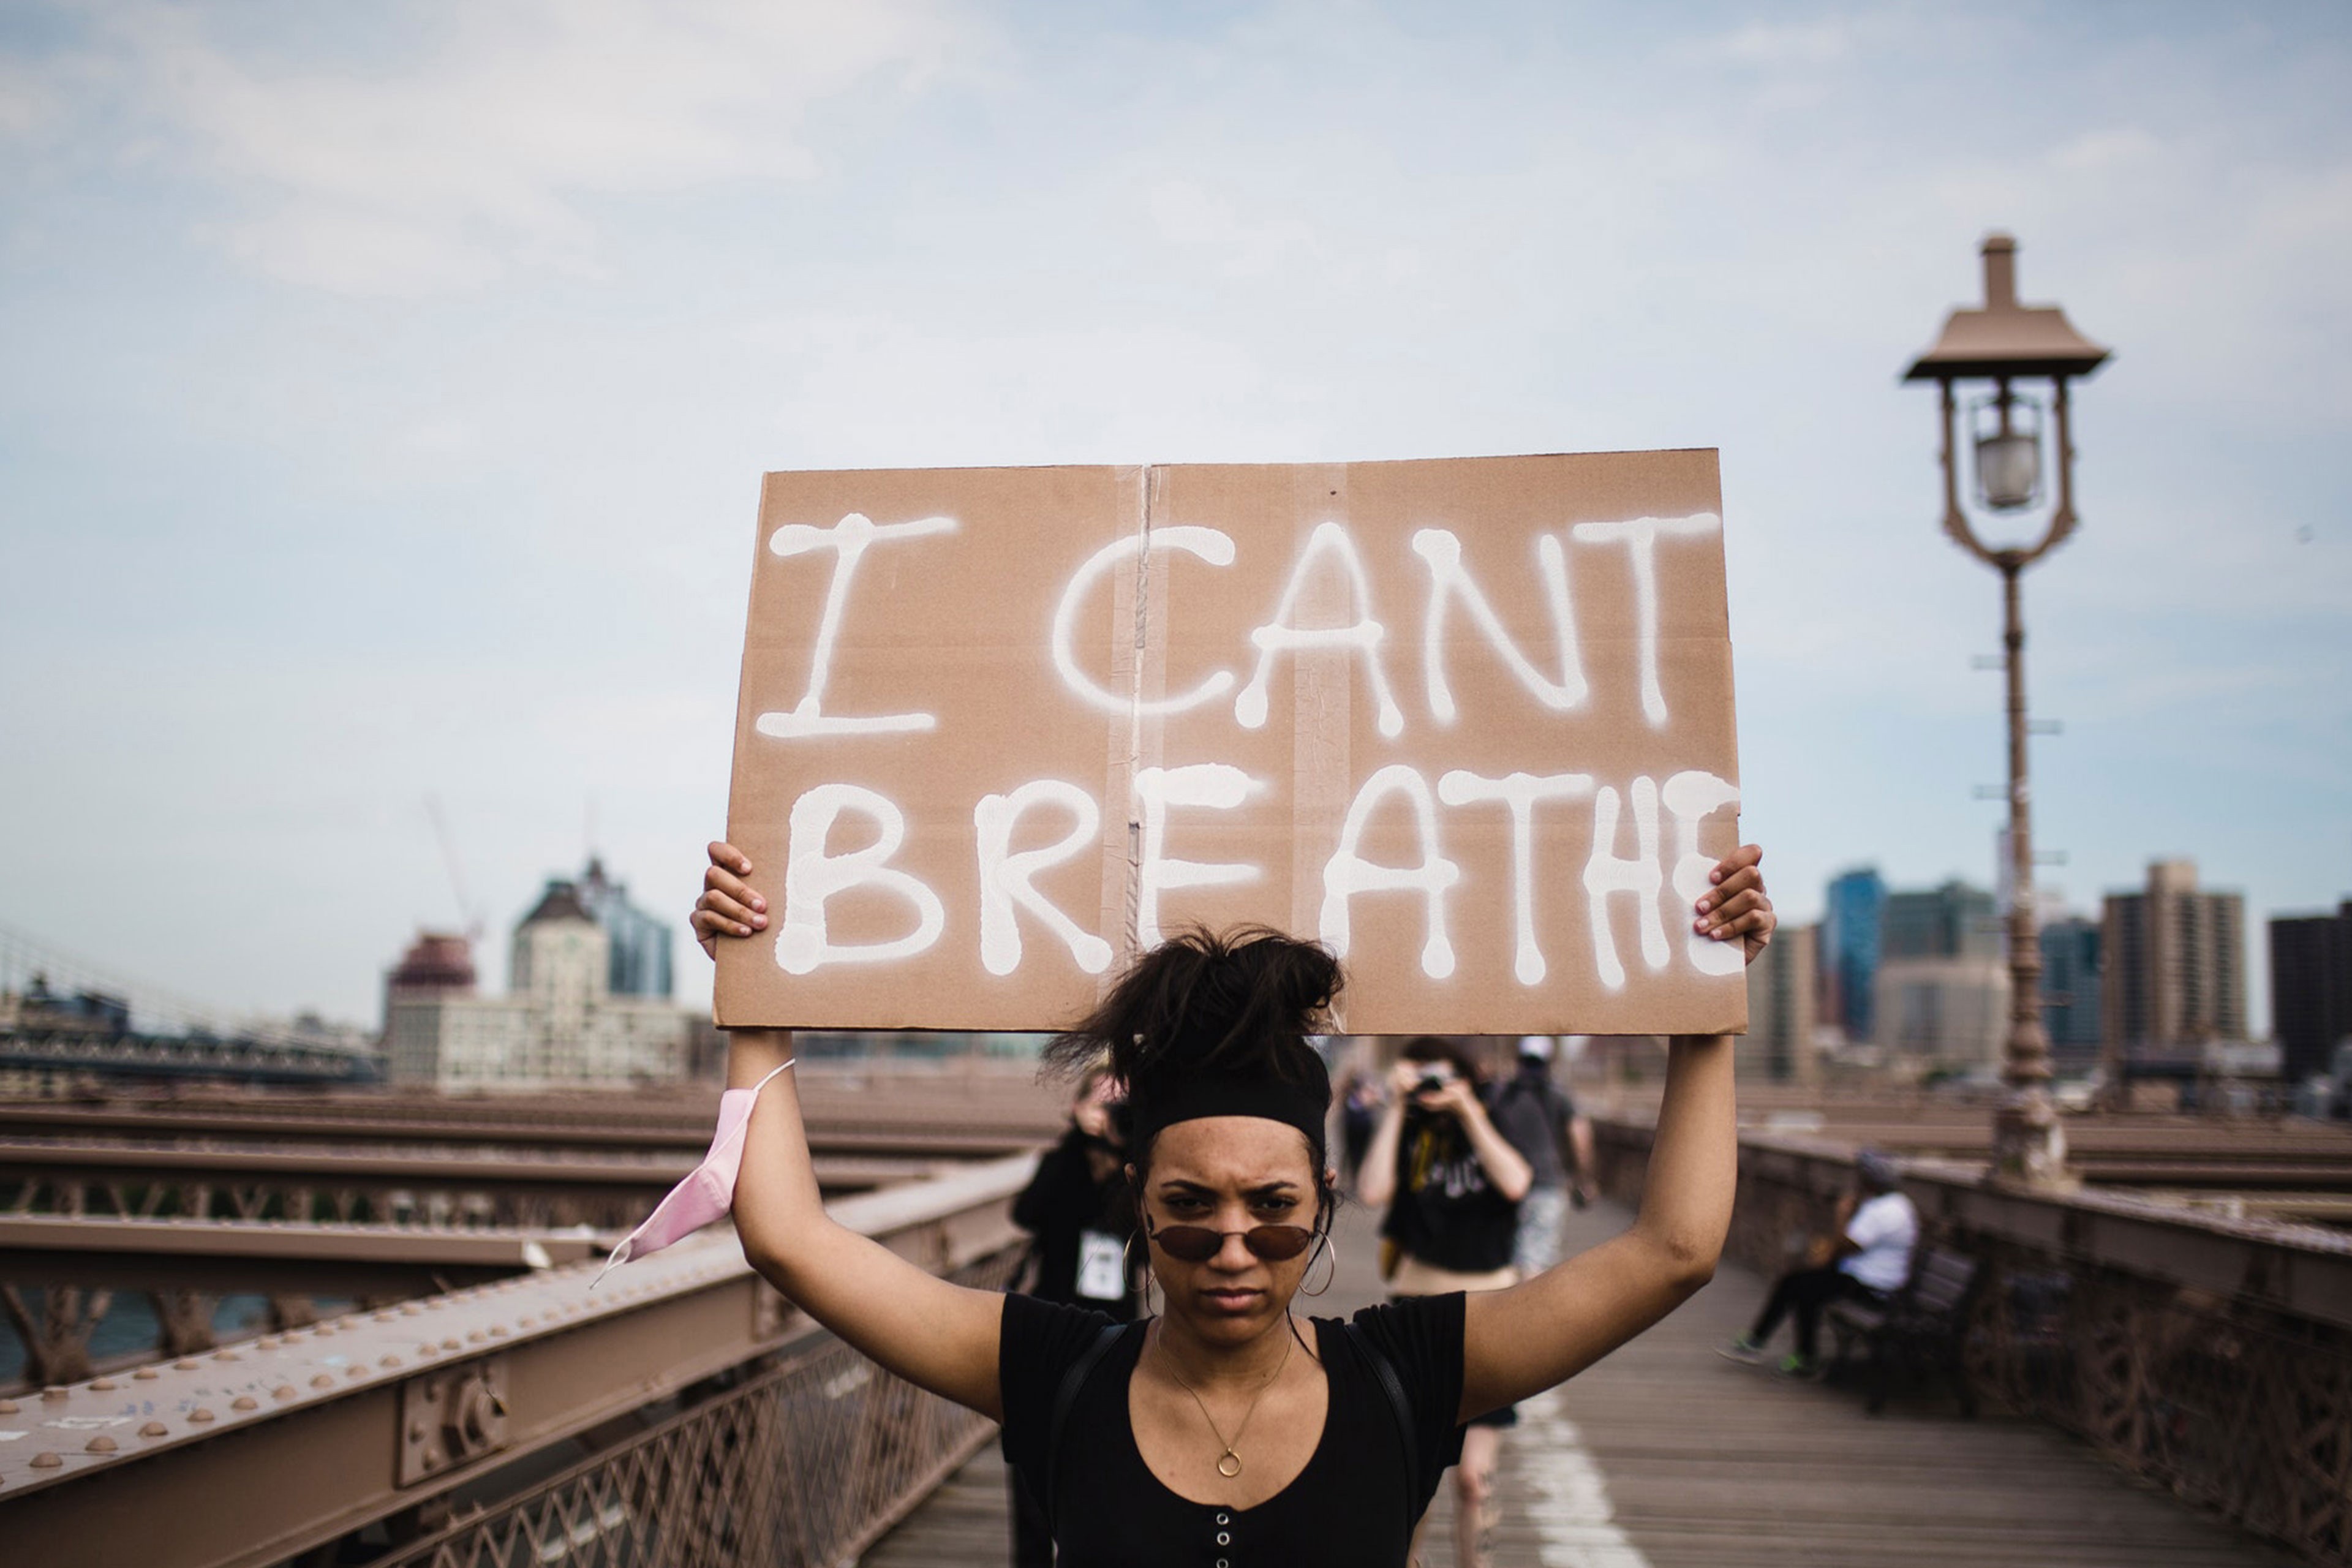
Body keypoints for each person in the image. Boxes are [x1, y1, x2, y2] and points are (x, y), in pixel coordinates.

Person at [692, 839, 1773, 1566]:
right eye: (1189, 1208)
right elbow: (789, 1240)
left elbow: (1674, 1251)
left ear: (1329, 1195)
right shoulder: (1053, 1369)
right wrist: (757, 998)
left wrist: (1702, 1006)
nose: (1233, 1247)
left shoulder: (1410, 1372)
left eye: (1274, 1209)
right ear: (1138, 1198)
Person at [1357, 1036, 1532, 1568]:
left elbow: (1516, 1182)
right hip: (1418, 1309)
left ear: (1464, 1075)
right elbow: (1371, 1191)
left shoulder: (1495, 1112)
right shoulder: (1404, 1125)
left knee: (1476, 1481)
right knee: (1416, 1482)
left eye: (1439, 1075)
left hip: (1491, 1311)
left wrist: (1467, 1111)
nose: (1431, 1087)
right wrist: (1396, 1109)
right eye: (1419, 1075)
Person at [1007, 1064, 1137, 1566]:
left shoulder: (1140, 1172)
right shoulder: (1062, 1162)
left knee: (1104, 1464)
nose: (1111, 1115)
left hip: (1116, 1336)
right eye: (1102, 1104)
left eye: (1122, 1106)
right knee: (1033, 1462)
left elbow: (1140, 1235)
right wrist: (1073, 1144)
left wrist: (1124, 1154)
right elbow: (1027, 1213)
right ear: (1079, 1108)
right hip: (1049, 1326)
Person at [1719, 1149, 1917, 1379]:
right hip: (1863, 1277)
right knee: (1798, 1284)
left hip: (1873, 1287)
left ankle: (1781, 1349)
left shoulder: (1886, 1211)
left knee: (1799, 1286)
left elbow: (1846, 1246)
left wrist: (1841, 1214)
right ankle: (1785, 1349)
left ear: (1870, 1180)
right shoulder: (1894, 1204)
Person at [1488, 1036, 1596, 1280]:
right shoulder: (1559, 1094)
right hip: (1548, 1182)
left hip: (1504, 1185)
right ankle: (1530, 1314)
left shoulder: (1500, 1094)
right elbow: (1580, 1138)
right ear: (1548, 1062)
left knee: (1509, 1254)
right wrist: (1584, 1178)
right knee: (1535, 1256)